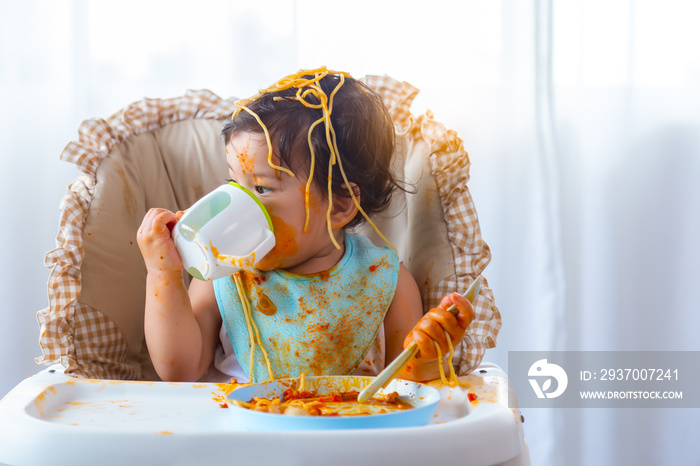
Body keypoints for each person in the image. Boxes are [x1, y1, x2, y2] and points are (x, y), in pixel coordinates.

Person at [137, 68, 473, 384]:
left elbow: (402, 390)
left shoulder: (387, 281)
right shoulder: (226, 273)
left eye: (262, 188)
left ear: (339, 206)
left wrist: (426, 361)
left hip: (348, 438)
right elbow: (178, 371)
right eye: (234, 182)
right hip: (241, 436)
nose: (238, 203)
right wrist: (163, 275)